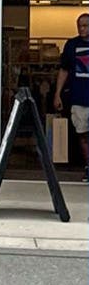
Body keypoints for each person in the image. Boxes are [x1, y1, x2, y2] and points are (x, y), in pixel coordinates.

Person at [55, 11, 89, 181]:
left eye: (85, 26)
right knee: (82, 134)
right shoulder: (71, 45)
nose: (82, 29)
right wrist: (57, 94)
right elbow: (64, 70)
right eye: (79, 26)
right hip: (79, 98)